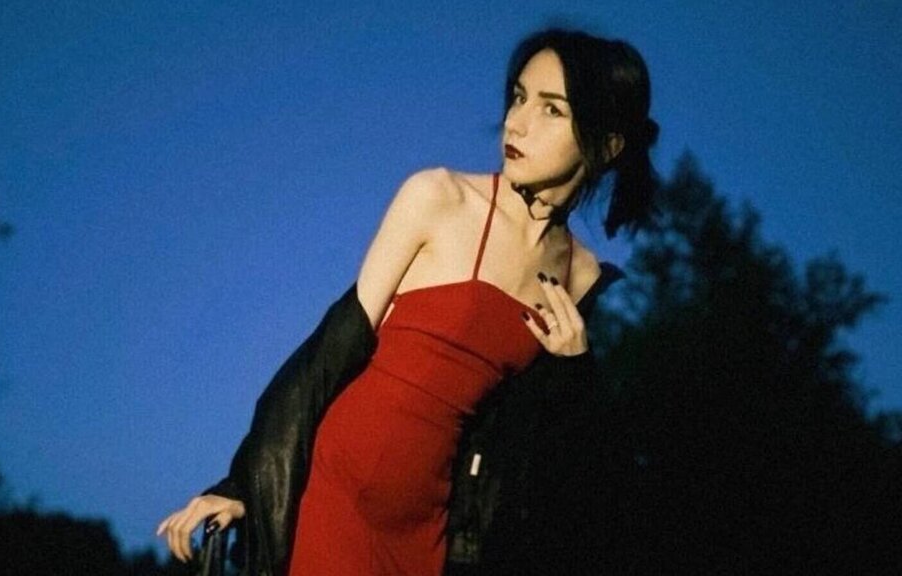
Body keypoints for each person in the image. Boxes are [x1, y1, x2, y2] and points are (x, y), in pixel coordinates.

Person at [157, 26, 659, 575]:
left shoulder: (580, 274)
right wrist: (244, 485)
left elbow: (550, 469)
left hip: (430, 529)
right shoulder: (438, 197)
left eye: (551, 109)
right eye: (518, 98)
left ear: (607, 145)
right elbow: (326, 355)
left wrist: (575, 371)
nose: (517, 122)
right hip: (333, 492)